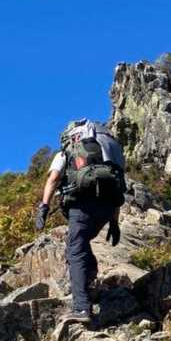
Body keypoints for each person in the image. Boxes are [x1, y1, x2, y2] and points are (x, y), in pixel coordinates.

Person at [35, 119, 126, 323]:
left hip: (82, 206)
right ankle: (90, 275)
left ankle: (82, 308)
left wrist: (44, 207)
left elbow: (53, 179)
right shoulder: (109, 148)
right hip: (107, 209)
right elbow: (116, 183)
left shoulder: (67, 150)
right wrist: (114, 222)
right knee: (82, 242)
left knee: (74, 250)